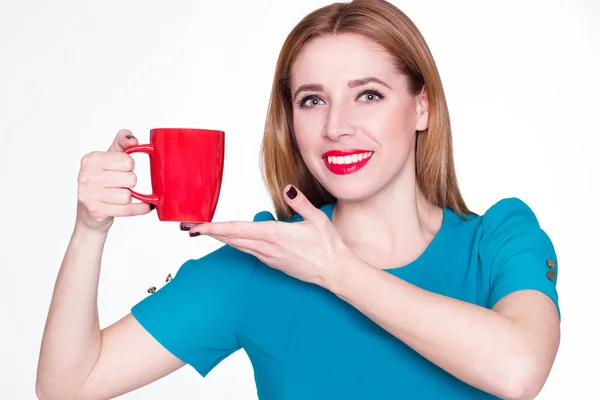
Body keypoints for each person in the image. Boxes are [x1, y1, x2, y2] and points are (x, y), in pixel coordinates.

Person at [36, 0, 561, 399]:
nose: (337, 127)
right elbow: (67, 385)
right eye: (313, 100)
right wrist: (90, 230)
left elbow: (517, 370)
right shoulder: (260, 266)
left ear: (421, 107)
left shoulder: (500, 238)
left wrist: (337, 271)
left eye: (369, 94)